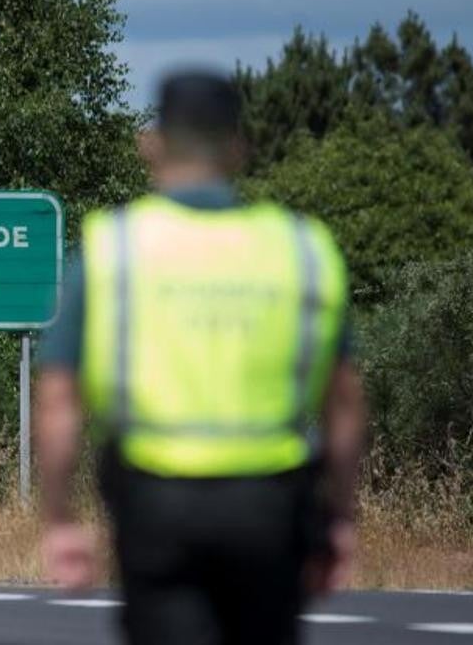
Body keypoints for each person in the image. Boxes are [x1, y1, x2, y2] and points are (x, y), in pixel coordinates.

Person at [36, 70, 367, 645]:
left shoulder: (114, 247)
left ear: (152, 146)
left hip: (157, 504)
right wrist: (338, 517)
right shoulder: (302, 249)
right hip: (272, 506)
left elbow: (60, 397)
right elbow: (345, 403)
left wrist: (61, 519)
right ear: (239, 147)